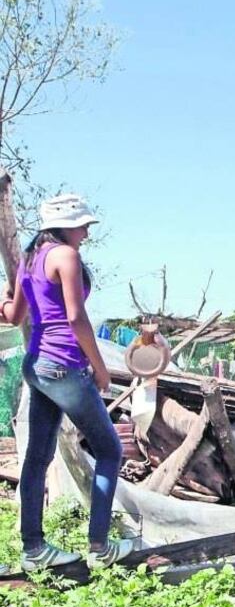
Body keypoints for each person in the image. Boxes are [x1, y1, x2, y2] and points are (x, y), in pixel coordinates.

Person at [0, 194, 134, 570]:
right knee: (109, 450)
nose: (87, 234)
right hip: (63, 365)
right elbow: (76, 319)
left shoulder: (31, 259)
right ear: (64, 225)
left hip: (37, 365)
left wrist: (6, 297)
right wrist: (100, 368)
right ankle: (100, 546)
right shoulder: (66, 257)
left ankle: (34, 550)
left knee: (37, 459)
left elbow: (13, 317)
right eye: (84, 226)